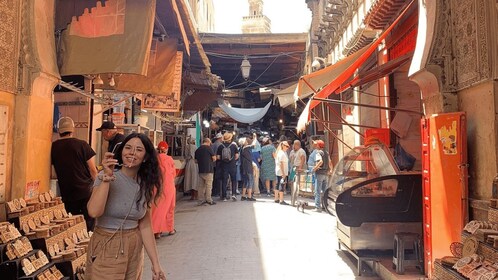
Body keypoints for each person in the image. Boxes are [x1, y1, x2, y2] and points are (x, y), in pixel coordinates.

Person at [86, 133, 166, 280]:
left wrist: (156, 264)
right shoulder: (105, 176)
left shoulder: (145, 184)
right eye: (128, 147)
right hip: (107, 244)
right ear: (121, 151)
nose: (132, 152)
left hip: (134, 247)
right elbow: (94, 212)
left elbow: (145, 225)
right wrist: (106, 179)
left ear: (146, 157)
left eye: (139, 150)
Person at [51, 117, 98, 230]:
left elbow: (53, 172)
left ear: (59, 131)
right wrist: (98, 187)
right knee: (89, 219)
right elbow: (93, 170)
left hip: (67, 191)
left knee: (72, 220)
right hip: (85, 189)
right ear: (72, 130)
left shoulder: (53, 147)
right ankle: (87, 242)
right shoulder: (82, 145)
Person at [151, 141, 176, 239]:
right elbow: (173, 173)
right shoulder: (169, 159)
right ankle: (170, 228)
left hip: (155, 186)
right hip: (168, 186)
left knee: (156, 208)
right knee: (169, 207)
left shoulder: (154, 159)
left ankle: (157, 231)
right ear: (166, 149)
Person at [217, 132, 239, 201]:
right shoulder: (233, 146)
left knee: (224, 181)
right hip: (232, 165)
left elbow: (218, 157)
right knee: (233, 180)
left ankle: (224, 196)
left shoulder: (220, 146)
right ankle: (234, 194)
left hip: (224, 165)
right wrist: (232, 160)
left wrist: (223, 160)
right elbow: (237, 156)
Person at [311, 139, 332, 212]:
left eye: (316, 144)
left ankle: (317, 207)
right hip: (326, 174)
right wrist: (331, 170)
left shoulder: (318, 152)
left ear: (318, 146)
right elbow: (329, 162)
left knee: (317, 191)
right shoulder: (326, 153)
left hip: (319, 173)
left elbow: (320, 161)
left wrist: (314, 168)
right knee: (324, 191)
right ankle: (325, 207)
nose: (315, 146)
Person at [195, 138, 216, 206]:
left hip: (201, 170)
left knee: (201, 186)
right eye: (210, 143)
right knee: (208, 186)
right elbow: (214, 158)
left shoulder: (197, 150)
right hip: (209, 170)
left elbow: (195, 161)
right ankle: (208, 199)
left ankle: (200, 200)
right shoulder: (208, 148)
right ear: (208, 142)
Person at [289, 140, 307, 206]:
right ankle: (293, 199)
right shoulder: (293, 151)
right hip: (293, 168)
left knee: (297, 184)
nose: (293, 146)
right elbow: (290, 159)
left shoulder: (301, 151)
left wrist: (300, 168)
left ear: (298, 145)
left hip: (298, 168)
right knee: (292, 182)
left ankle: (296, 199)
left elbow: (303, 159)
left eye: (294, 145)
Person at [240, 137, 256, 201]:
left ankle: (243, 195)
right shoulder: (247, 148)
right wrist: (255, 137)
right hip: (248, 166)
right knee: (250, 181)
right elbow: (254, 145)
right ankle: (249, 196)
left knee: (245, 181)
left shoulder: (242, 149)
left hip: (244, 167)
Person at [275, 141, 290, 205]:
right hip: (281, 172)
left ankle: (276, 198)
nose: (287, 148)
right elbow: (281, 163)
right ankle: (281, 200)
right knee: (281, 185)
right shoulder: (282, 153)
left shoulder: (281, 152)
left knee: (278, 184)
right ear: (283, 146)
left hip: (279, 171)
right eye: (286, 146)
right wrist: (283, 173)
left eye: (288, 146)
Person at [211, 133, 223, 197]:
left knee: (213, 178)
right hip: (218, 163)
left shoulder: (212, 145)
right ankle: (218, 192)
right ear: (220, 138)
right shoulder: (220, 145)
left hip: (213, 164)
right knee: (218, 178)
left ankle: (213, 191)